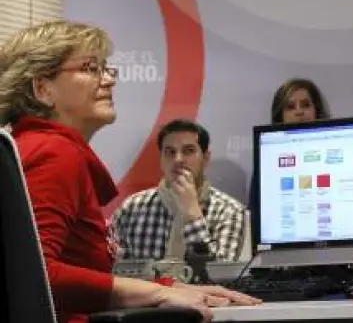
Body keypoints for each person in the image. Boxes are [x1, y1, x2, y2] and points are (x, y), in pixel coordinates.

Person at [0, 20, 260, 323]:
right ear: (43, 89)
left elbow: (69, 273)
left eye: (106, 68)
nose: (109, 80)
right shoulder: (54, 152)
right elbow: (35, 275)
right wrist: (158, 293)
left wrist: (169, 286)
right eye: (90, 68)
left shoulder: (37, 145)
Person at [112, 119, 246, 262]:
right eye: (170, 152)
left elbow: (220, 272)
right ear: (161, 159)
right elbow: (112, 268)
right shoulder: (132, 207)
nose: (178, 159)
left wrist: (192, 214)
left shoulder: (229, 211)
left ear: (206, 158)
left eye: (189, 151)